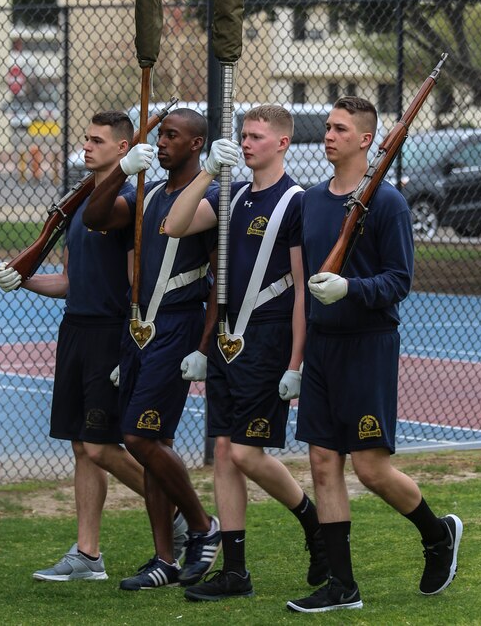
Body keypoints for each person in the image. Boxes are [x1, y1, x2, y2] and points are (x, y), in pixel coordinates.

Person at [0, 110, 190, 581]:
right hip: (75, 329)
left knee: (102, 447)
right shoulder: (78, 203)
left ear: (124, 149)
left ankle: (183, 514)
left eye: (98, 141)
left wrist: (131, 336)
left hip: (109, 332)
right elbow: (68, 280)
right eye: (86, 138)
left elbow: (133, 278)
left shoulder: (126, 200)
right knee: (83, 447)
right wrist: (22, 279)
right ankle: (88, 555)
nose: (87, 146)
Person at [286, 96, 463, 613]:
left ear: (366, 140)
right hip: (322, 348)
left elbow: (398, 281)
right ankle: (343, 588)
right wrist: (296, 360)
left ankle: (437, 536)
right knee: (322, 462)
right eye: (328, 127)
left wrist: (350, 289)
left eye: (340, 129)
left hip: (368, 346)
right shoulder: (310, 201)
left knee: (370, 467)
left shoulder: (388, 203)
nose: (329, 135)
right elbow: (301, 282)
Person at [163, 104, 325, 602]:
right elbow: (174, 224)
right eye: (243, 136)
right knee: (224, 456)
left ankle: (313, 521)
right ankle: (235, 570)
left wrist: (295, 362)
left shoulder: (296, 201)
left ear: (282, 143)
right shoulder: (228, 194)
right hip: (228, 338)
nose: (247, 143)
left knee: (245, 453)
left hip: (270, 336)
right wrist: (210, 171)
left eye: (256, 136)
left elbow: (300, 289)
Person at [81, 107, 222, 591]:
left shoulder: (211, 194)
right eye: (160, 135)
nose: (161, 143)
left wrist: (204, 344)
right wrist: (121, 170)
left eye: (172, 136)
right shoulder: (150, 192)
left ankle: (203, 526)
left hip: (178, 325)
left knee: (138, 437)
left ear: (196, 144)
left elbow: (217, 281)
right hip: (138, 329)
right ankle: (165, 558)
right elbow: (96, 217)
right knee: (153, 444)